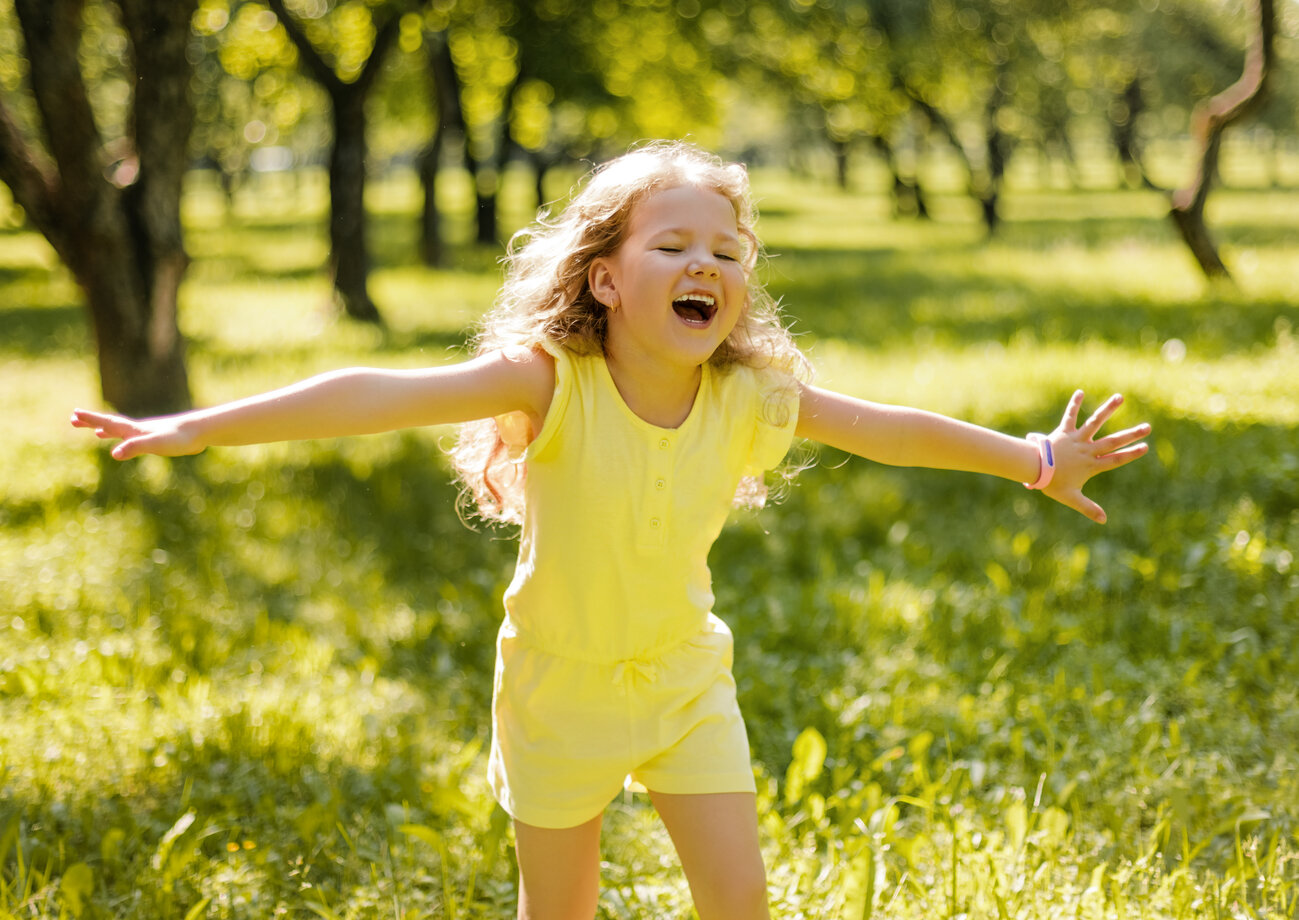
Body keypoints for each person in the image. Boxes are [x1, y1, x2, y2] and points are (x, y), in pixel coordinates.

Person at [71, 141, 1150, 920]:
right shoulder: (552, 380)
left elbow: (892, 430)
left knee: (741, 903)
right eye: (673, 243)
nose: (707, 266)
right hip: (557, 686)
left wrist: (1035, 459)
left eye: (728, 252)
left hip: (685, 678)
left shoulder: (748, 395)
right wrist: (196, 425)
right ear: (604, 277)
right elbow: (380, 391)